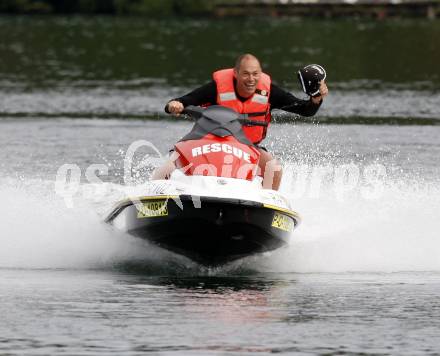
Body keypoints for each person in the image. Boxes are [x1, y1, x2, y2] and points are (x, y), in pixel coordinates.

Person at [153, 53, 328, 190]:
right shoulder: (217, 88)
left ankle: (267, 204)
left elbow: (305, 110)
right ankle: (155, 199)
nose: (251, 79)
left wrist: (316, 99)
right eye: (245, 74)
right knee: (170, 164)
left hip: (247, 147)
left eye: (255, 74)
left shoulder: (269, 92)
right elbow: (186, 99)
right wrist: (175, 105)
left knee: (273, 168)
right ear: (236, 73)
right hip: (207, 141)